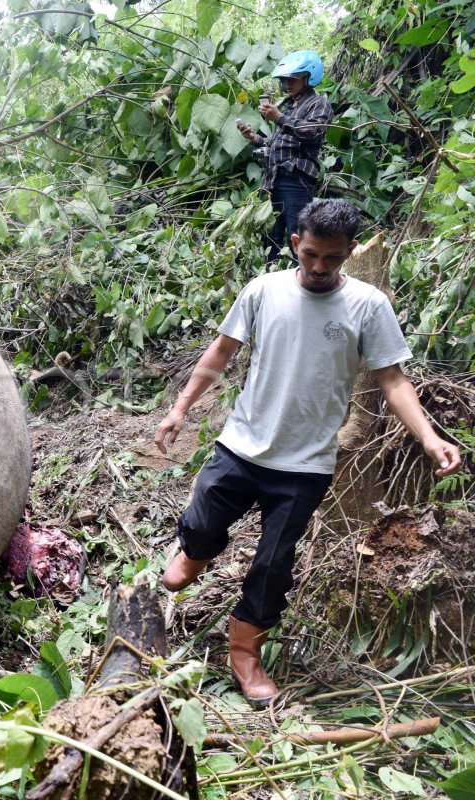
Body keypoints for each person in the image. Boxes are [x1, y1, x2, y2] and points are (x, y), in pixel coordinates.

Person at [153, 199, 462, 708]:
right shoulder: (264, 290)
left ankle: (245, 649)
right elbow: (222, 352)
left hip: (304, 464)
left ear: (347, 254)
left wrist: (429, 438)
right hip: (242, 444)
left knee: (274, 562)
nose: (319, 268)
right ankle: (196, 551)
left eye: (333, 259)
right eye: (312, 255)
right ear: (296, 244)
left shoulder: (368, 305)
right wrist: (180, 408)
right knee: (204, 515)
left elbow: (391, 378)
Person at [236, 51, 332, 262]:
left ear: (308, 78)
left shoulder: (318, 104)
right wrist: (254, 138)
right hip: (273, 180)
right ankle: (272, 280)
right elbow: (278, 146)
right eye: (284, 80)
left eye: (292, 79)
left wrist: (279, 118)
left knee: (296, 238)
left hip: (296, 181)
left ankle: (301, 283)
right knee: (271, 237)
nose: (287, 84)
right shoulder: (289, 106)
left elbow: (312, 132)